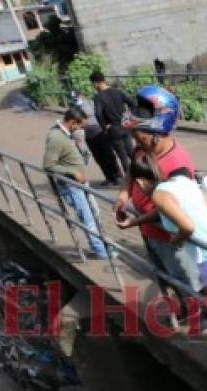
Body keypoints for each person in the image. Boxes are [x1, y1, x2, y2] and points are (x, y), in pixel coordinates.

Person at [115, 85, 200, 310]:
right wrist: (124, 196)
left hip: (169, 236)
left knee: (182, 276)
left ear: (156, 132)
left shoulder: (177, 164)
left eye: (138, 135)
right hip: (148, 230)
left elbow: (169, 210)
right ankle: (180, 308)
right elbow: (131, 172)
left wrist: (135, 221)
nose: (135, 140)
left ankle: (201, 314)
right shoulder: (142, 149)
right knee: (163, 273)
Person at [130, 153, 207, 299]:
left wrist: (177, 239)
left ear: (140, 181)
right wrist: (135, 221)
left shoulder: (159, 195)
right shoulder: (181, 180)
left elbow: (187, 227)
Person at [42, 107, 107, 258]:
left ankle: (101, 246)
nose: (81, 129)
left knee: (94, 214)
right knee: (87, 219)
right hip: (71, 186)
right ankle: (101, 252)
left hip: (80, 183)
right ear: (72, 123)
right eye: (80, 126)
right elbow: (48, 165)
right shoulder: (56, 138)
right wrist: (72, 172)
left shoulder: (67, 134)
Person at [91, 71, 136, 180]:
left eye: (93, 84)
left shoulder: (98, 97)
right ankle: (144, 174)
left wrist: (104, 126)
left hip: (113, 129)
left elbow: (98, 113)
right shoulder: (117, 91)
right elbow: (133, 103)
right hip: (125, 126)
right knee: (131, 153)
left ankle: (131, 181)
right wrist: (129, 117)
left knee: (123, 156)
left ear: (96, 83)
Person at [70, 90, 120, 185]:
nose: (76, 100)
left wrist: (78, 109)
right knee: (99, 158)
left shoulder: (89, 104)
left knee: (108, 155)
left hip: (98, 131)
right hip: (89, 135)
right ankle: (108, 177)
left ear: (81, 96)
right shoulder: (76, 107)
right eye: (74, 99)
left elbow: (89, 113)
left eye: (76, 98)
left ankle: (117, 176)